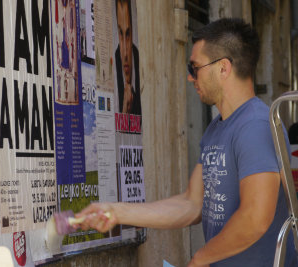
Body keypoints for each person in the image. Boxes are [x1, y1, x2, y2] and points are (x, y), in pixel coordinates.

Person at [76, 18, 298, 266]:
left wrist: (199, 259)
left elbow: (255, 217)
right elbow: (192, 204)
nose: (191, 78)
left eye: (195, 68)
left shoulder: (255, 126)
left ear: (223, 68)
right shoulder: (217, 128)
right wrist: (116, 212)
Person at [115, 0, 141, 115]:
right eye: (121, 34)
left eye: (128, 34)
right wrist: (125, 112)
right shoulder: (116, 58)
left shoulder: (139, 58)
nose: (125, 54)